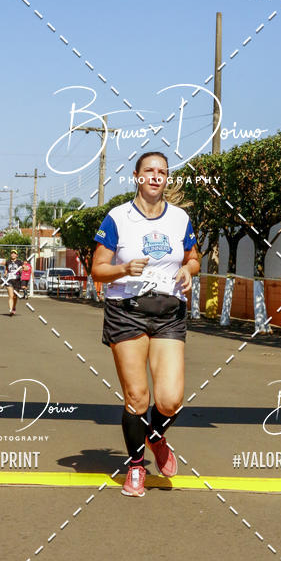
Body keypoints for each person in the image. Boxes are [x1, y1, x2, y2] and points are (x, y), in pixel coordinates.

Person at [91, 151, 200, 498]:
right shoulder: (117, 218)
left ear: (167, 178)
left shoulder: (180, 218)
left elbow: (193, 257)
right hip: (126, 310)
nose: (156, 176)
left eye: (162, 172)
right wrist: (124, 269)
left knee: (169, 400)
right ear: (137, 176)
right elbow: (98, 269)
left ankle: (155, 435)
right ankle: (136, 466)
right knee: (137, 398)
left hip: (169, 312)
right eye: (149, 171)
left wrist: (188, 270)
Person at [4, 250, 23, 316]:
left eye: (14, 254)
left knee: (15, 296)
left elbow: (21, 270)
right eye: (12, 253)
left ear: (16, 255)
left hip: (17, 281)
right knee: (11, 296)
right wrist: (5, 274)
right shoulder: (8, 261)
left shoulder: (19, 262)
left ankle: (14, 307)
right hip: (9, 280)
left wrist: (21, 271)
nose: (13, 255)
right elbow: (6, 269)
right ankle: (10, 310)